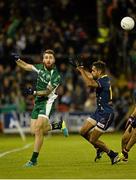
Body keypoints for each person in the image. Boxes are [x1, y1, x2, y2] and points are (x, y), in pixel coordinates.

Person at [11, 49, 69, 167]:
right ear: (43, 59)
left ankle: (33, 160)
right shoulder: (40, 67)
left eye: (50, 57)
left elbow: (47, 92)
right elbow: (26, 66)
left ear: (54, 60)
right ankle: (58, 125)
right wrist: (17, 59)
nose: (48, 59)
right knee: (34, 131)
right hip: (38, 101)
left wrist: (33, 92)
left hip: (47, 102)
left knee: (38, 129)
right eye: (46, 57)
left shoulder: (56, 76)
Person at [77, 60, 119, 165]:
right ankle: (99, 148)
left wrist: (82, 71)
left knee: (93, 139)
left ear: (99, 71)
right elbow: (90, 77)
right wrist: (80, 69)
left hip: (106, 114)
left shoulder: (104, 80)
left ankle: (112, 154)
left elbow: (89, 83)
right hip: (99, 111)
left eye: (93, 71)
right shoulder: (101, 78)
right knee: (83, 131)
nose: (91, 72)